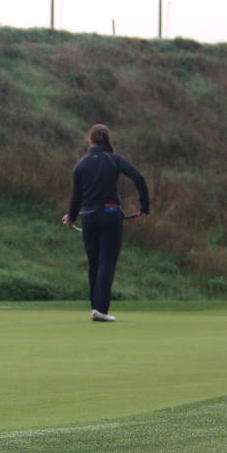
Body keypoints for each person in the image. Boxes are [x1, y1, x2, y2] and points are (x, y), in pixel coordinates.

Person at [61, 123, 150, 322]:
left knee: (94, 263)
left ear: (90, 141)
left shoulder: (81, 165)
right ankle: (100, 309)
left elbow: (76, 198)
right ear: (106, 140)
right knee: (106, 262)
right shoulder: (114, 159)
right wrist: (144, 208)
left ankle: (96, 307)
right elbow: (139, 178)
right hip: (111, 215)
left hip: (89, 216)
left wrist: (71, 218)